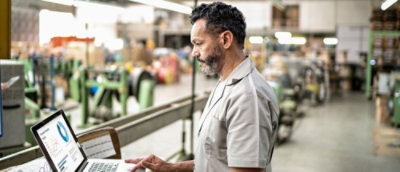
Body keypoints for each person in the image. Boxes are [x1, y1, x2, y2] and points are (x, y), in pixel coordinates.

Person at [126, 2, 279, 172]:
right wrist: (171, 167)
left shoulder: (248, 97)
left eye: (198, 43)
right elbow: (216, 160)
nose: (194, 52)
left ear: (226, 40)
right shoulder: (226, 82)